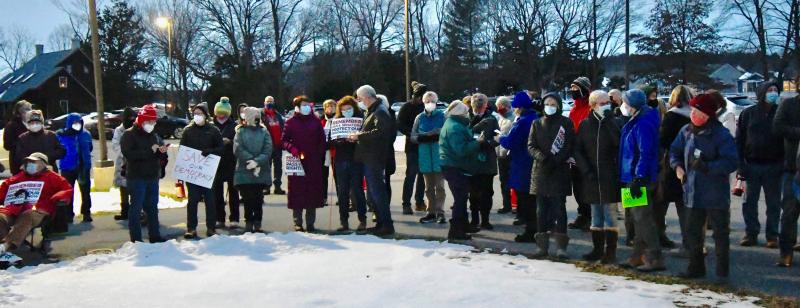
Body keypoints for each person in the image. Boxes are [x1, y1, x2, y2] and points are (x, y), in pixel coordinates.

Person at [670, 93, 738, 279]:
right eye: (692, 110)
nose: (693, 115)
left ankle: (722, 273)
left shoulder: (721, 134)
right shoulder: (686, 131)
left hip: (715, 193)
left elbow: (731, 161)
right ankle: (695, 268)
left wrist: (708, 167)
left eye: (698, 112)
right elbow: (674, 151)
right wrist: (677, 167)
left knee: (720, 235)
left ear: (708, 115)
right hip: (692, 192)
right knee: (693, 233)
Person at [619, 89, 665, 272]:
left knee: (643, 219)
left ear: (633, 105)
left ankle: (655, 257)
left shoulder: (643, 123)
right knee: (636, 219)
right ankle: (637, 255)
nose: (623, 107)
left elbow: (645, 153)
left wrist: (639, 177)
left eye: (625, 103)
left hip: (639, 178)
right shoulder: (636, 121)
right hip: (630, 176)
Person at [0, 153, 73, 266]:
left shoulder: (52, 177)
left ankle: (5, 246)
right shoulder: (20, 176)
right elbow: (4, 187)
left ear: (42, 164)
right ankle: (4, 252)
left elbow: (66, 189)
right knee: (1, 217)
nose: (30, 165)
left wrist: (58, 196)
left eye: (33, 162)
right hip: (14, 208)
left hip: (39, 209)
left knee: (27, 216)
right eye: (28, 162)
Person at [574, 90, 621, 263]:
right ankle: (597, 249)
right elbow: (578, 149)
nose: (606, 106)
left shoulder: (615, 122)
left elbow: (619, 145)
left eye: (607, 102)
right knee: (596, 215)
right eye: (602, 104)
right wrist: (586, 170)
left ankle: (611, 252)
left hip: (610, 176)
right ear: (593, 105)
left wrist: (609, 122)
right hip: (592, 176)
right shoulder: (585, 124)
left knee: (610, 214)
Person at [737, 81, 784, 248]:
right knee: (749, 202)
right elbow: (740, 140)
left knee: (774, 203)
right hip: (752, 164)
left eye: (775, 90)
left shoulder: (780, 112)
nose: (773, 93)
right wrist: (740, 164)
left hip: (774, 165)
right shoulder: (748, 113)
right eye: (770, 90)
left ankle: (772, 235)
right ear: (762, 93)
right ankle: (751, 233)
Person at [528, 93, 574, 259]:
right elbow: (531, 145)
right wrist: (542, 158)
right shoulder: (536, 123)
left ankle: (561, 247)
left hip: (559, 171)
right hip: (540, 172)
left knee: (559, 210)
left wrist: (556, 160)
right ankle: (542, 246)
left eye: (553, 103)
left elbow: (569, 144)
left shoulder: (566, 123)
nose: (550, 106)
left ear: (559, 105)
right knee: (541, 211)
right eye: (547, 103)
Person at [653, 85, 694, 250]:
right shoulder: (694, 116)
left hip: (670, 165)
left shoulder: (671, 117)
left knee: (660, 204)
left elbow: (662, 140)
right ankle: (689, 242)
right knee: (684, 207)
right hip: (690, 163)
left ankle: (658, 237)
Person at [352, 86, 396, 236]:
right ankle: (381, 224)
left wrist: (359, 136)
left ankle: (386, 224)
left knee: (378, 192)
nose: (359, 101)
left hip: (374, 158)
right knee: (373, 192)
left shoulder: (380, 111)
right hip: (369, 157)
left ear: (367, 97)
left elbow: (380, 133)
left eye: (360, 98)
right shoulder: (372, 110)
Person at [120, 105, 167, 243]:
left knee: (152, 207)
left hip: (152, 176)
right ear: (142, 121)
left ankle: (155, 235)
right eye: (149, 122)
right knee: (136, 208)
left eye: (153, 122)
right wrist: (150, 152)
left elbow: (155, 154)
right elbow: (129, 154)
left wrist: (160, 153)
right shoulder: (128, 135)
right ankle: (136, 239)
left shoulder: (153, 136)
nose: (152, 125)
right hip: (136, 177)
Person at [440, 101, 484, 240]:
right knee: (460, 198)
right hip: (453, 165)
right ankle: (456, 230)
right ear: (460, 113)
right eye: (466, 112)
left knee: (462, 197)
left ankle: (463, 226)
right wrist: (478, 142)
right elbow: (461, 150)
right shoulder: (454, 127)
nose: (468, 114)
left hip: (452, 164)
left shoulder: (454, 124)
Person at [180, 102, 224, 239]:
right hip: (192, 172)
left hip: (208, 172)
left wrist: (210, 151)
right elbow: (182, 149)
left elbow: (221, 148)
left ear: (206, 115)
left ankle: (211, 227)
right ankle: (191, 228)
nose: (197, 116)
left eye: (200, 114)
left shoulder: (213, 130)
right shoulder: (188, 130)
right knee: (192, 200)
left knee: (210, 200)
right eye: (195, 114)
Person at [284, 95, 326, 232]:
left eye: (308, 105)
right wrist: (292, 149)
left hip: (313, 162)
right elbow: (284, 140)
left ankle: (310, 223)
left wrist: (319, 154)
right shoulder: (290, 122)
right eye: (303, 105)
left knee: (312, 192)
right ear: (297, 107)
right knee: (297, 191)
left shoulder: (316, 122)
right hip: (297, 161)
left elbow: (322, 140)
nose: (306, 107)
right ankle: (298, 222)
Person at [500, 91, 538, 242]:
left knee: (526, 199)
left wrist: (500, 138)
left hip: (522, 162)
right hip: (533, 162)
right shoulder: (535, 117)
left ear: (519, 107)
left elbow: (511, 142)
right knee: (533, 199)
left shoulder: (522, 122)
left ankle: (531, 230)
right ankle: (538, 227)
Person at [330, 96, 369, 231]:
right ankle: (343, 221)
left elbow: (366, 137)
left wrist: (357, 140)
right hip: (341, 159)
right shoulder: (336, 121)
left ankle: (362, 219)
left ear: (354, 108)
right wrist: (338, 142)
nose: (346, 111)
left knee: (358, 191)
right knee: (342, 192)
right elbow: (330, 140)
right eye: (344, 109)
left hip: (356, 160)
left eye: (349, 108)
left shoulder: (361, 120)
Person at [233, 107, 273, 233]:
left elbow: (268, 149)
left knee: (258, 198)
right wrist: (249, 160)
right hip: (245, 171)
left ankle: (258, 222)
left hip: (260, 171)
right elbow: (238, 148)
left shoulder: (264, 131)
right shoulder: (240, 131)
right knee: (247, 199)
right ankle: (248, 222)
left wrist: (257, 161)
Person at [774, 83, 800, 267]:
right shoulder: (788, 104)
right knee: (789, 212)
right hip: (793, 167)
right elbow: (778, 127)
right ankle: (786, 252)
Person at [411, 91, 446, 224]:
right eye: (427, 101)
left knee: (440, 187)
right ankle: (430, 212)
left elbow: (446, 133)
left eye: (432, 101)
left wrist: (437, 134)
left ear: (436, 102)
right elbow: (413, 136)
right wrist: (422, 137)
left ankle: (440, 212)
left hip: (438, 156)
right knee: (428, 188)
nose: (430, 104)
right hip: (425, 156)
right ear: (423, 102)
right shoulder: (419, 117)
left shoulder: (442, 116)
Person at [468, 93, 500, 230]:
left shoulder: (492, 119)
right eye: (476, 104)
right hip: (471, 161)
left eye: (482, 104)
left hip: (487, 161)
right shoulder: (466, 118)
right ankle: (474, 219)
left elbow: (498, 136)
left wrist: (489, 143)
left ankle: (485, 220)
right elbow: (464, 135)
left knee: (487, 192)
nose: (479, 106)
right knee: (473, 193)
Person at [56, 113, 93, 222]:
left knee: (85, 192)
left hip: (83, 167)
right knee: (68, 192)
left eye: (79, 122)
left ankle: (86, 213)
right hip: (67, 167)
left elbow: (90, 147)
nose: (77, 125)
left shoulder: (86, 134)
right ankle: (68, 214)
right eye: (75, 123)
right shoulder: (62, 135)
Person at [397, 81, 428, 214]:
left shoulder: (426, 107)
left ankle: (419, 201)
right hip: (412, 146)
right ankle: (406, 203)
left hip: (425, 145)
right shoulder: (407, 107)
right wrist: (412, 133)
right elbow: (400, 124)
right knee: (411, 175)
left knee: (422, 176)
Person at [568, 77, 593, 231]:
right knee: (577, 188)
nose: (573, 91)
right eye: (571, 88)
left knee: (587, 188)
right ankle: (582, 214)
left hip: (587, 155)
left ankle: (590, 216)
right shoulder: (573, 109)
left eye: (576, 88)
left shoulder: (590, 108)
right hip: (575, 155)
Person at [212, 97, 240, 229]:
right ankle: (219, 218)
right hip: (215, 163)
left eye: (224, 112)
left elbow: (239, 142)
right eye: (219, 112)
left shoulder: (234, 126)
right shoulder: (211, 126)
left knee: (233, 192)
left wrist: (230, 142)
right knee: (217, 192)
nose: (221, 115)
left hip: (230, 161)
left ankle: (234, 218)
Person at [112, 107, 137, 220]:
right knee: (123, 188)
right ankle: (124, 211)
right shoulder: (119, 130)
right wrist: (126, 153)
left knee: (135, 188)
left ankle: (135, 211)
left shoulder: (137, 129)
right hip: (122, 162)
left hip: (135, 163)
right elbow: (115, 145)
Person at [495, 96, 515, 214]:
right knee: (503, 181)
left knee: (512, 181)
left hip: (510, 154)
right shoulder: (500, 119)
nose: (499, 109)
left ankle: (515, 205)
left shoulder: (513, 118)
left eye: (501, 106)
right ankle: (506, 204)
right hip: (500, 154)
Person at [262, 97, 285, 195]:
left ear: (274, 103)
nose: (269, 103)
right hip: (266, 146)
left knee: (278, 167)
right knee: (266, 167)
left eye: (271, 102)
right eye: (268, 102)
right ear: (264, 103)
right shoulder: (261, 116)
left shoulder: (278, 115)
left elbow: (283, 128)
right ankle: (266, 187)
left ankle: (277, 187)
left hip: (278, 145)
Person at [3, 100, 32, 173]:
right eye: (27, 109)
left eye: (30, 108)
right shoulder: (11, 125)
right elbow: (7, 145)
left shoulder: (33, 124)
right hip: (18, 164)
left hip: (34, 163)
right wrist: (24, 144)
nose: (30, 111)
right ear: (19, 112)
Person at [321, 99, 337, 207]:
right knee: (323, 176)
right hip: (323, 152)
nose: (330, 108)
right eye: (328, 106)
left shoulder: (339, 120)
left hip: (336, 151)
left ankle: (342, 197)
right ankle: (323, 198)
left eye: (332, 106)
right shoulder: (321, 121)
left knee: (338, 176)